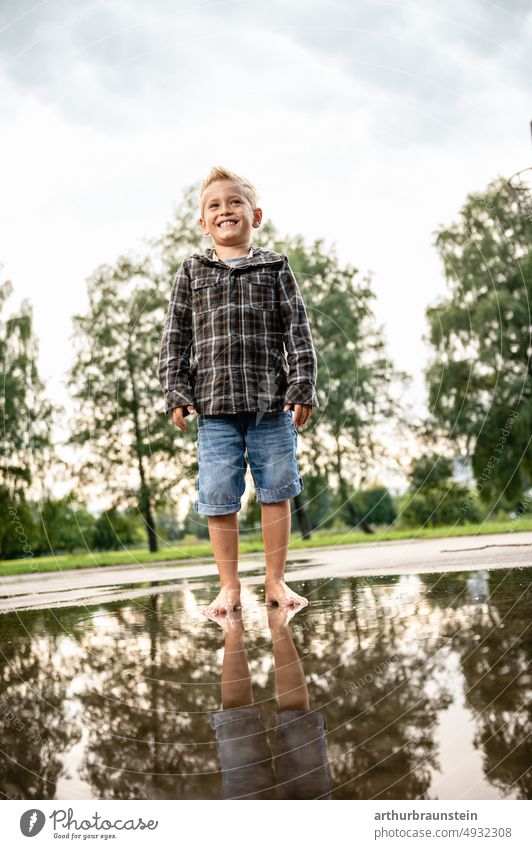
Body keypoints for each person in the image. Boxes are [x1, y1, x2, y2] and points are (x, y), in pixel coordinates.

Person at [158, 166, 319, 614]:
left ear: (256, 215)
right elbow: (175, 337)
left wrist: (303, 385)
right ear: (203, 222)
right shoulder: (191, 272)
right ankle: (229, 586)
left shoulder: (275, 266)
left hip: (272, 402)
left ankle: (275, 581)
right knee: (218, 493)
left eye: (234, 202)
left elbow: (298, 331)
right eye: (214, 205)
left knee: (277, 488)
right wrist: (176, 390)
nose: (225, 209)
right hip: (214, 408)